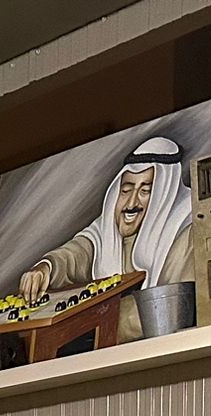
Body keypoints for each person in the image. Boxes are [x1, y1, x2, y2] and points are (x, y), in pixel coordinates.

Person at [16, 137, 192, 342]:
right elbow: (79, 252)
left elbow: (167, 313)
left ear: (163, 194)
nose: (131, 203)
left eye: (145, 191)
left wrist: (88, 323)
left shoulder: (184, 230)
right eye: (126, 190)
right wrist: (46, 268)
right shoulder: (109, 227)